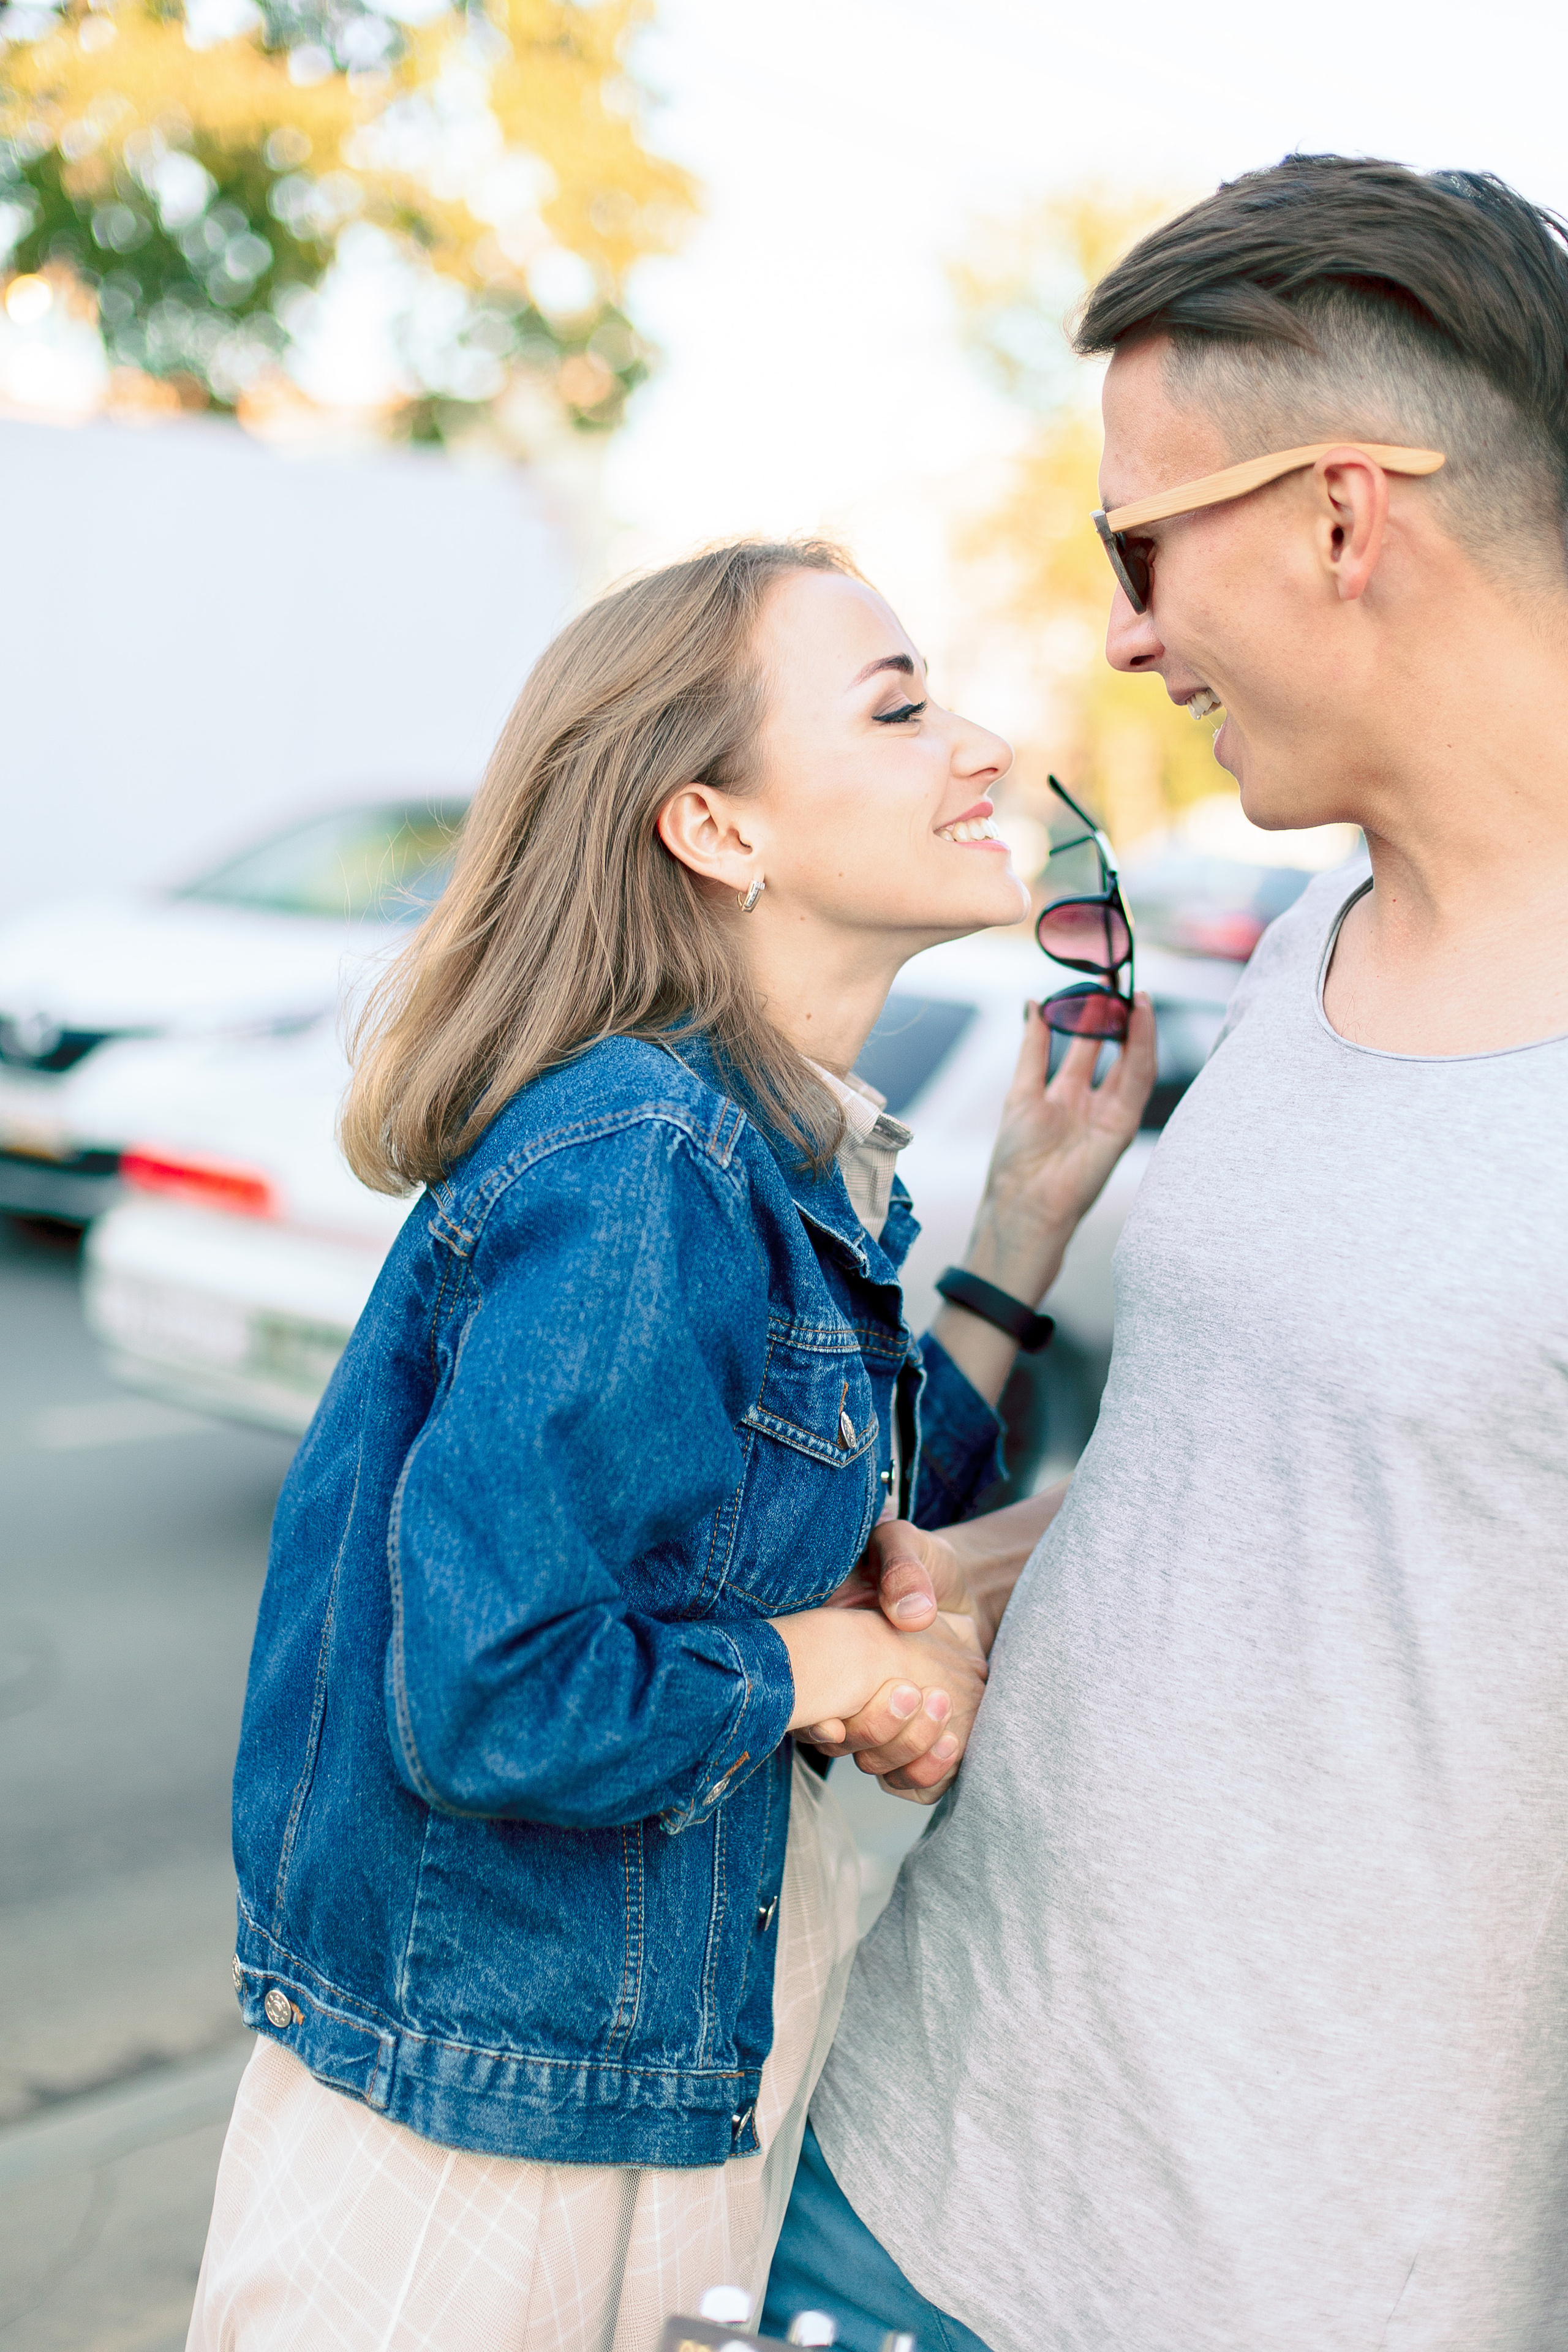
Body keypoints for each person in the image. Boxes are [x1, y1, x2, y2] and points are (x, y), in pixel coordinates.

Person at [766, 155, 1568, 2352]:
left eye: (1141, 548)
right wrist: (973, 1570)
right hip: (916, 2150)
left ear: (1339, 517)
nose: (1121, 633)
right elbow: (1332, 1507)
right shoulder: (1326, 924)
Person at [186, 538, 1155, 2351]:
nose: (982, 745)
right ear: (715, 828)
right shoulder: (643, 1157)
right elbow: (496, 1695)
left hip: (631, 2082)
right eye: (898, 706)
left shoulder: (764, 1159)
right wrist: (842, 1666)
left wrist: (1022, 1220)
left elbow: (820, 1527)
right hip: (485, 2151)